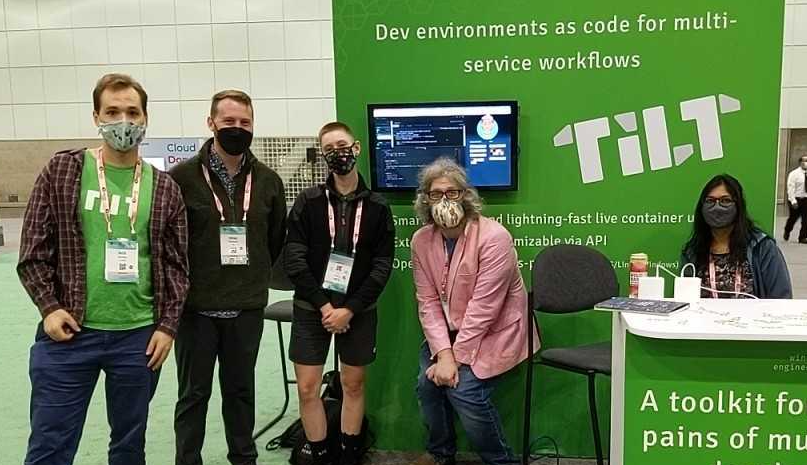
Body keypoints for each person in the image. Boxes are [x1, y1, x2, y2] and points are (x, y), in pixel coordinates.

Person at [17, 73, 189, 465]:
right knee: (49, 447)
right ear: (96, 116)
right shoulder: (62, 172)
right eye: (112, 111)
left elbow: (177, 267)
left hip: (138, 339)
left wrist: (167, 326)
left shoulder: (164, 188)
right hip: (69, 333)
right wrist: (49, 307)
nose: (123, 121)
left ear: (145, 119)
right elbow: (32, 250)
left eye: (132, 112)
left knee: (129, 448)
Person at [170, 90, 287, 465]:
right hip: (195, 310)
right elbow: (170, 242)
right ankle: (188, 459)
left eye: (245, 123)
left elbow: (274, 239)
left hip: (246, 307)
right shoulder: (181, 178)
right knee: (193, 395)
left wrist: (253, 282)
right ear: (211, 124)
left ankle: (243, 458)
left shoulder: (269, 182)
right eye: (229, 122)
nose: (237, 129)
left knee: (240, 392)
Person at [410, 158, 539, 465]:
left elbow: (485, 309)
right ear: (425, 199)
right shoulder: (421, 241)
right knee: (426, 385)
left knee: (463, 390)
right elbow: (427, 302)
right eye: (435, 193)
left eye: (452, 192)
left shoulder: (495, 238)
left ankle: (500, 461)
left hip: (496, 332)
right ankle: (440, 453)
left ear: (465, 195)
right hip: (450, 334)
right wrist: (443, 353)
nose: (444, 200)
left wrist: (455, 359)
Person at [284, 121, 395, 465]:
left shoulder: (378, 206)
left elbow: (382, 265)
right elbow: (294, 257)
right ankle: (318, 455)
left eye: (342, 146)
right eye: (329, 149)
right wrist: (324, 306)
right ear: (323, 155)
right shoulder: (308, 201)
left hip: (358, 310)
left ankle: (349, 455)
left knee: (353, 385)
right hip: (311, 308)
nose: (338, 154)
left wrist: (348, 309)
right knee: (307, 388)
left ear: (357, 148)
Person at [681, 174, 792, 299]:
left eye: (725, 200)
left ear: (738, 205)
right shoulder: (692, 252)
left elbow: (782, 298)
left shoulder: (762, 248)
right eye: (710, 201)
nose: (717, 207)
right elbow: (685, 300)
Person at [784, 154, 807, 243]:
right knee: (793, 218)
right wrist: (793, 200)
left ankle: (803, 237)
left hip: (806, 199)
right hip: (796, 199)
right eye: (804, 161)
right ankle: (787, 230)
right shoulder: (794, 174)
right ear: (800, 163)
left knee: (806, 219)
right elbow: (790, 188)